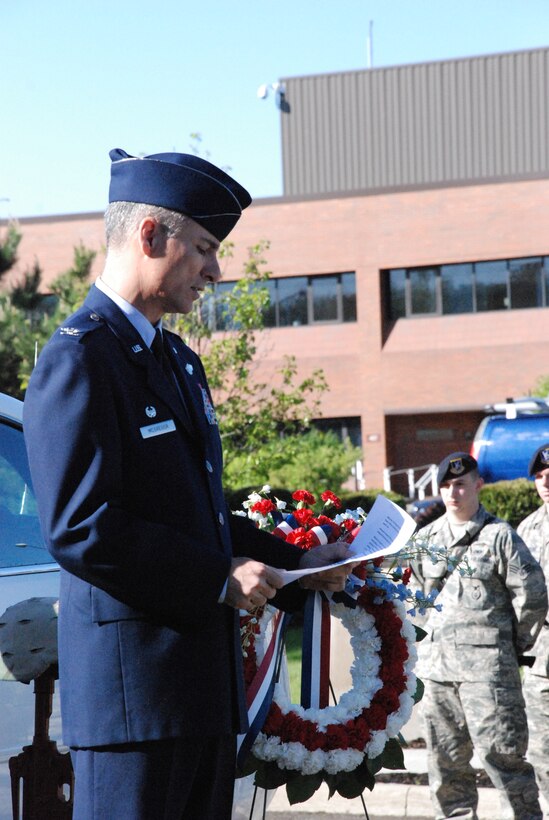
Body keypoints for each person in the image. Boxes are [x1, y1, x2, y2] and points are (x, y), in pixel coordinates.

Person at [23, 148, 355, 820]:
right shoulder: (79, 359)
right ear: (151, 235)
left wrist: (297, 562)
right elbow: (83, 528)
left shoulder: (176, 360)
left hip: (197, 692)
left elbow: (198, 514)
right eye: (204, 247)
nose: (216, 269)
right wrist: (216, 579)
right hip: (133, 706)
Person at [412, 451, 547, 820]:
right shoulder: (425, 540)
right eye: (446, 486)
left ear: (478, 485)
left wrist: (512, 646)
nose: (453, 493)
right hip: (437, 674)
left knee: (505, 764)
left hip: (489, 675)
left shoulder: (500, 536)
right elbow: (416, 598)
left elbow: (532, 597)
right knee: (446, 769)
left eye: (460, 484)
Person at [517, 443, 549, 811]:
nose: (544, 482)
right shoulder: (527, 528)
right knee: (543, 756)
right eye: (539, 477)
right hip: (542, 662)